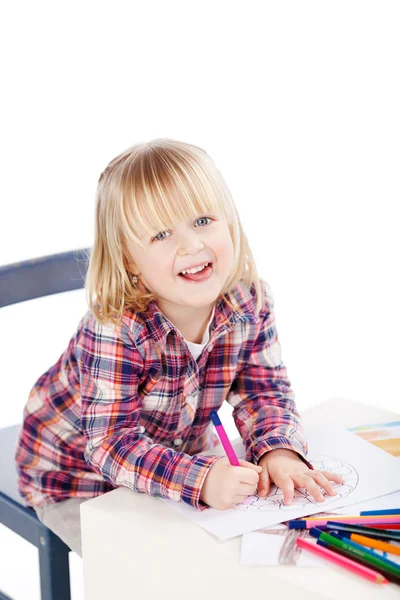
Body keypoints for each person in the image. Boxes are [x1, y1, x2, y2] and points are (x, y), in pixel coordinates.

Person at [15, 139, 343, 557]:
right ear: (130, 261)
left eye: (203, 220)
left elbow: (263, 392)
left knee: (231, 557)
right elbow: (111, 444)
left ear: (230, 222)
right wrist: (202, 481)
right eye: (162, 234)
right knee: (144, 571)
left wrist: (279, 450)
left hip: (173, 450)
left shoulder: (248, 303)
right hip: (74, 475)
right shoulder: (116, 328)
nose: (190, 245)